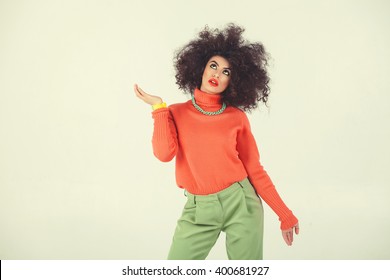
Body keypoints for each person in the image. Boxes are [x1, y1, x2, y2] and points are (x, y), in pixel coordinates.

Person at [134, 23, 299, 260]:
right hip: (198, 210)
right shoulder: (175, 112)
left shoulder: (237, 118)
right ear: (200, 67)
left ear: (233, 81)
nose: (217, 74)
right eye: (213, 66)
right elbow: (163, 154)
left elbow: (254, 169)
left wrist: (285, 214)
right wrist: (158, 108)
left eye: (226, 72)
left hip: (241, 203)